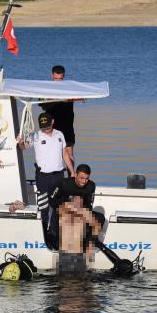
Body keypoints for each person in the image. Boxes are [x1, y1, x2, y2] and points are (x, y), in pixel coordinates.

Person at [17, 112, 75, 248]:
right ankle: (42, 235)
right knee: (43, 207)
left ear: (52, 122)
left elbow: (65, 153)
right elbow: (22, 147)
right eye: (43, 127)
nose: (46, 129)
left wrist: (72, 171)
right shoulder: (35, 135)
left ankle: (54, 236)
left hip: (59, 176)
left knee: (58, 206)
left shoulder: (60, 134)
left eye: (48, 126)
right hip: (43, 177)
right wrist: (20, 141)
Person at [49, 164, 105, 251]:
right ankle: (56, 240)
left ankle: (88, 243)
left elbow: (89, 205)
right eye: (81, 178)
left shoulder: (91, 186)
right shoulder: (64, 183)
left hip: (80, 211)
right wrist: (69, 201)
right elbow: (52, 201)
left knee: (100, 217)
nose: (84, 181)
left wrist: (80, 207)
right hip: (63, 210)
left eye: (87, 178)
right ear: (75, 175)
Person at [40, 65, 76, 163]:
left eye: (60, 79)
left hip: (67, 126)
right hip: (51, 127)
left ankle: (72, 177)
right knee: (51, 154)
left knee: (69, 154)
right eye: (56, 79)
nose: (58, 81)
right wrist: (55, 100)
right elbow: (42, 105)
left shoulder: (69, 89)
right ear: (52, 76)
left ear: (63, 77)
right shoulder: (46, 89)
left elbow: (79, 96)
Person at [57, 195, 100, 274]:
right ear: (71, 200)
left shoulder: (85, 213)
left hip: (78, 253)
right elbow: (62, 208)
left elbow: (96, 225)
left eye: (81, 202)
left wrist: (91, 243)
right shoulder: (63, 209)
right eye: (76, 200)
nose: (78, 203)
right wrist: (79, 210)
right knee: (64, 282)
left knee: (79, 282)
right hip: (64, 253)